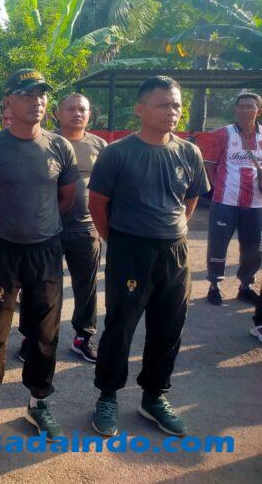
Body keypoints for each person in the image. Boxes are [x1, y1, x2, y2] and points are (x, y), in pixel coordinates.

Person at [88, 76, 209, 438]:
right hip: (130, 249)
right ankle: (108, 395)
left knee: (169, 327)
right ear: (140, 109)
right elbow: (98, 205)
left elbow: (191, 199)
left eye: (177, 105)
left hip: (175, 251)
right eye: (163, 105)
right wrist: (120, 242)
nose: (172, 112)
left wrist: (172, 230)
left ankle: (154, 397)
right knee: (121, 326)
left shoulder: (189, 152)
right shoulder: (118, 153)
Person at [0, 69, 78, 441]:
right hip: (3, 250)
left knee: (44, 331)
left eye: (42, 94)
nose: (37, 101)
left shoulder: (60, 147)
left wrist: (36, 225)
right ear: (8, 101)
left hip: (46, 251)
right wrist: (5, 223)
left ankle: (38, 403)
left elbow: (65, 199)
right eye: (27, 94)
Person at [55, 94, 107, 362]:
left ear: (89, 114)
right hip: (48, 230)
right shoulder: (45, 142)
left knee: (86, 288)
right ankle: (34, 337)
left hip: (87, 230)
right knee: (41, 287)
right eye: (70, 109)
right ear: (58, 113)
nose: (77, 113)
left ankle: (83, 338)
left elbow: (109, 189)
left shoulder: (100, 146)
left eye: (82, 109)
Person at [203, 92, 262, 306]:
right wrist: (217, 189)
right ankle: (214, 284)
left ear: (258, 111)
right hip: (225, 201)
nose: (245, 110)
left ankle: (245, 286)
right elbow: (210, 164)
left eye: (250, 106)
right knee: (218, 245)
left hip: (256, 203)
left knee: (253, 248)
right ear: (235, 109)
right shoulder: (223, 134)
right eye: (241, 106)